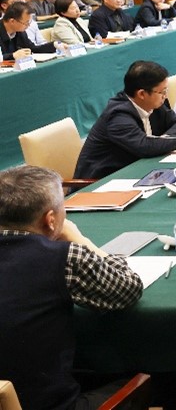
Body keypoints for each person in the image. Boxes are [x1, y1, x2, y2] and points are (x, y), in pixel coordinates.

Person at [0, 165, 144, 410]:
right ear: (51, 220)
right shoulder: (63, 257)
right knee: (161, 379)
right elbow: (127, 289)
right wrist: (80, 239)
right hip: (49, 404)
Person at [73, 60, 176, 179]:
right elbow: (144, 146)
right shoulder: (118, 115)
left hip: (135, 171)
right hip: (102, 181)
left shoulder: (153, 104)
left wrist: (163, 140)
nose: (165, 96)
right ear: (142, 94)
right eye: (162, 92)